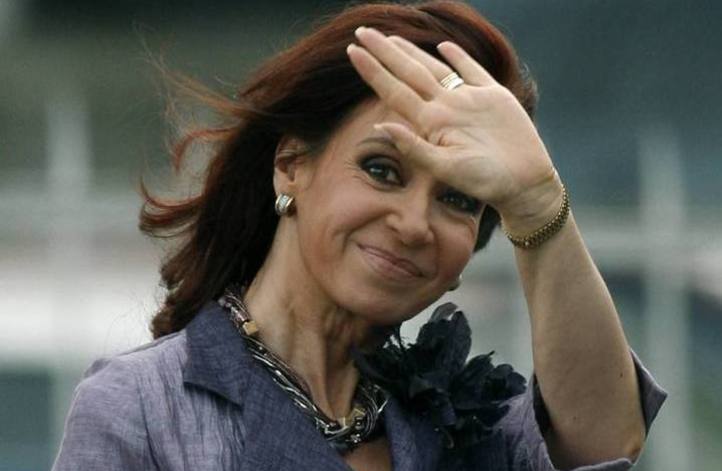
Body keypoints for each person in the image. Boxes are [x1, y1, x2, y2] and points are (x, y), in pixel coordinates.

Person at [52, 1, 666, 470]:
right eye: (381, 170)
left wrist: (535, 202)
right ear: (291, 164)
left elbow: (606, 442)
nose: (414, 223)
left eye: (458, 199)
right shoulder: (144, 409)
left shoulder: (465, 424)